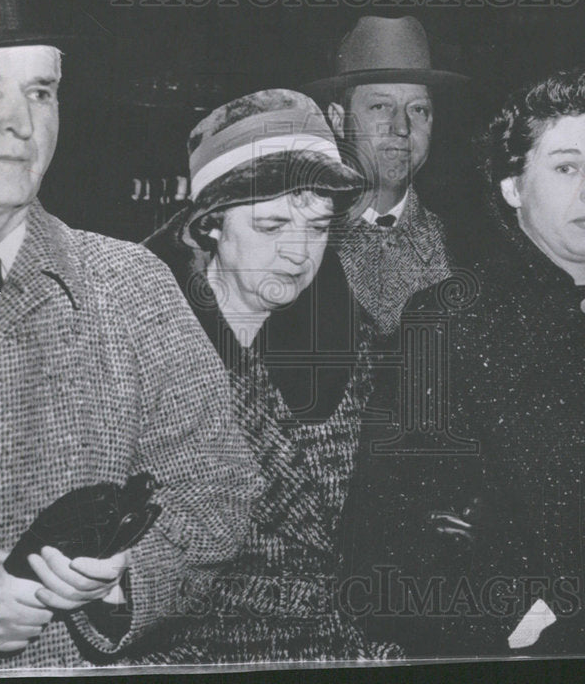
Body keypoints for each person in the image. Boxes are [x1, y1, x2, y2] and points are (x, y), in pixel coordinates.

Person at [0, 0, 260, 672]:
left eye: (41, 91)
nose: (22, 123)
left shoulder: (131, 286)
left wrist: (124, 580)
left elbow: (217, 490)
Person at [392, 67, 585, 656]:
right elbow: (405, 513)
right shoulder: (450, 320)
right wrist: (510, 605)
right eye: (566, 167)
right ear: (513, 186)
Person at [141, 89, 400, 662]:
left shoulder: (362, 347)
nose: (297, 253)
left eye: (317, 227)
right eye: (272, 225)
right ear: (211, 225)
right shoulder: (141, 346)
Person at [303, 15, 467, 336]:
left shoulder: (465, 249)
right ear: (338, 120)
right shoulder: (294, 244)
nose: (402, 128)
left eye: (419, 109)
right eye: (380, 107)